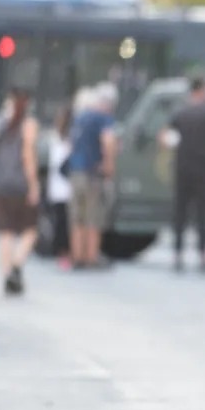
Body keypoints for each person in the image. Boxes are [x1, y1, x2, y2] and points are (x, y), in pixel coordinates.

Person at [162, 76, 205, 273]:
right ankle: (203, 255)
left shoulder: (180, 112)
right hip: (203, 168)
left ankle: (177, 254)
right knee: (203, 213)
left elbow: (165, 137)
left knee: (180, 212)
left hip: (182, 167)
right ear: (202, 91)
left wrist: (175, 148)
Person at [0, 87, 41, 295]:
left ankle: (6, 275)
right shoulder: (28, 124)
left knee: (6, 233)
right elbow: (27, 156)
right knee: (30, 230)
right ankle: (16, 263)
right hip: (21, 184)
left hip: (0, 184)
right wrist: (34, 185)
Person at [68, 83, 118, 270]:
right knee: (93, 217)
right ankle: (91, 257)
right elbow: (108, 141)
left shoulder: (81, 117)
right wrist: (109, 166)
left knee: (76, 217)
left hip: (75, 172)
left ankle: (77, 256)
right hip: (92, 174)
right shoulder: (103, 119)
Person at [45, 106, 74, 268]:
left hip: (58, 187)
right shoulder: (62, 140)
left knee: (60, 222)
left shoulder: (54, 138)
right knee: (64, 223)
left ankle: (62, 253)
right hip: (64, 187)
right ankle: (64, 253)